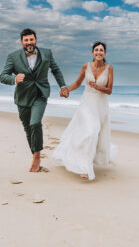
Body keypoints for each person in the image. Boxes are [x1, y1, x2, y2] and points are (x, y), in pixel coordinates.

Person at [0, 28, 69, 172]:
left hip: (40, 94)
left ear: (36, 40)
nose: (29, 42)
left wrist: (63, 86)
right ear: (22, 42)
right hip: (23, 97)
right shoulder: (13, 56)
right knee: (27, 128)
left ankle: (37, 157)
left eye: (31, 39)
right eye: (26, 40)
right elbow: (3, 76)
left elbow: (55, 70)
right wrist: (14, 78)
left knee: (35, 123)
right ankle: (35, 152)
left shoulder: (47, 53)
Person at [53, 41, 117, 180]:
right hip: (86, 103)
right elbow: (77, 83)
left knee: (96, 135)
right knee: (90, 132)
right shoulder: (86, 66)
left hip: (100, 105)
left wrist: (97, 87)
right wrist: (66, 89)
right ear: (92, 53)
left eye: (101, 50)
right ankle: (85, 168)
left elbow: (109, 90)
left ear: (104, 53)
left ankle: (88, 160)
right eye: (96, 50)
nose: (99, 52)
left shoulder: (109, 68)